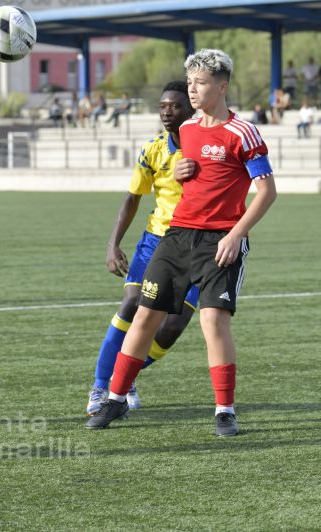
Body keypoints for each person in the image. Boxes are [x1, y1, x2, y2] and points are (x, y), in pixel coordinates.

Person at [86, 48, 277, 437]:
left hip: (220, 241)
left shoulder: (243, 132)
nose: (192, 90)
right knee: (144, 314)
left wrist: (236, 235)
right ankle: (116, 399)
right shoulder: (187, 131)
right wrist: (182, 170)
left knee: (212, 320)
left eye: (200, 83)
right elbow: (189, 176)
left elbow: (267, 191)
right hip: (176, 236)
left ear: (222, 86)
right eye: (189, 82)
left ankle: (225, 410)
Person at [86, 80, 199, 416]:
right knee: (132, 302)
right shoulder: (153, 150)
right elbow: (132, 197)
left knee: (172, 328)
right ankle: (100, 385)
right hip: (156, 241)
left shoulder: (206, 147)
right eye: (163, 106)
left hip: (197, 244)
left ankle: (128, 373)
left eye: (175, 106)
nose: (167, 112)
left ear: (191, 109)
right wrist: (113, 244)